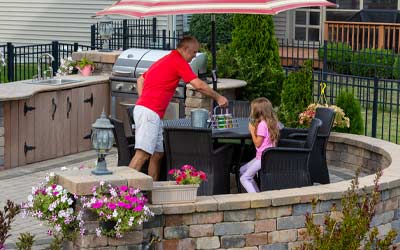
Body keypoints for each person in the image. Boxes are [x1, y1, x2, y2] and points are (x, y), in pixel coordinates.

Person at [129, 36, 229, 180]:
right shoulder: (178, 61)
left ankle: (152, 191)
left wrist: (142, 101)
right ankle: (122, 194)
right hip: (149, 112)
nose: (195, 56)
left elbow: (141, 79)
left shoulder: (166, 59)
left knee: (157, 154)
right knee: (142, 155)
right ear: (184, 49)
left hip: (151, 112)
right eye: (193, 52)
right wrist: (219, 97)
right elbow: (199, 85)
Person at [239, 97, 280, 193]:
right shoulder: (272, 122)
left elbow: (257, 144)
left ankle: (256, 199)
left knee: (244, 178)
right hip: (267, 155)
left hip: (263, 157)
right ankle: (257, 193)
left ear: (258, 111)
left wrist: (252, 131)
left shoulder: (263, 124)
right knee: (242, 170)